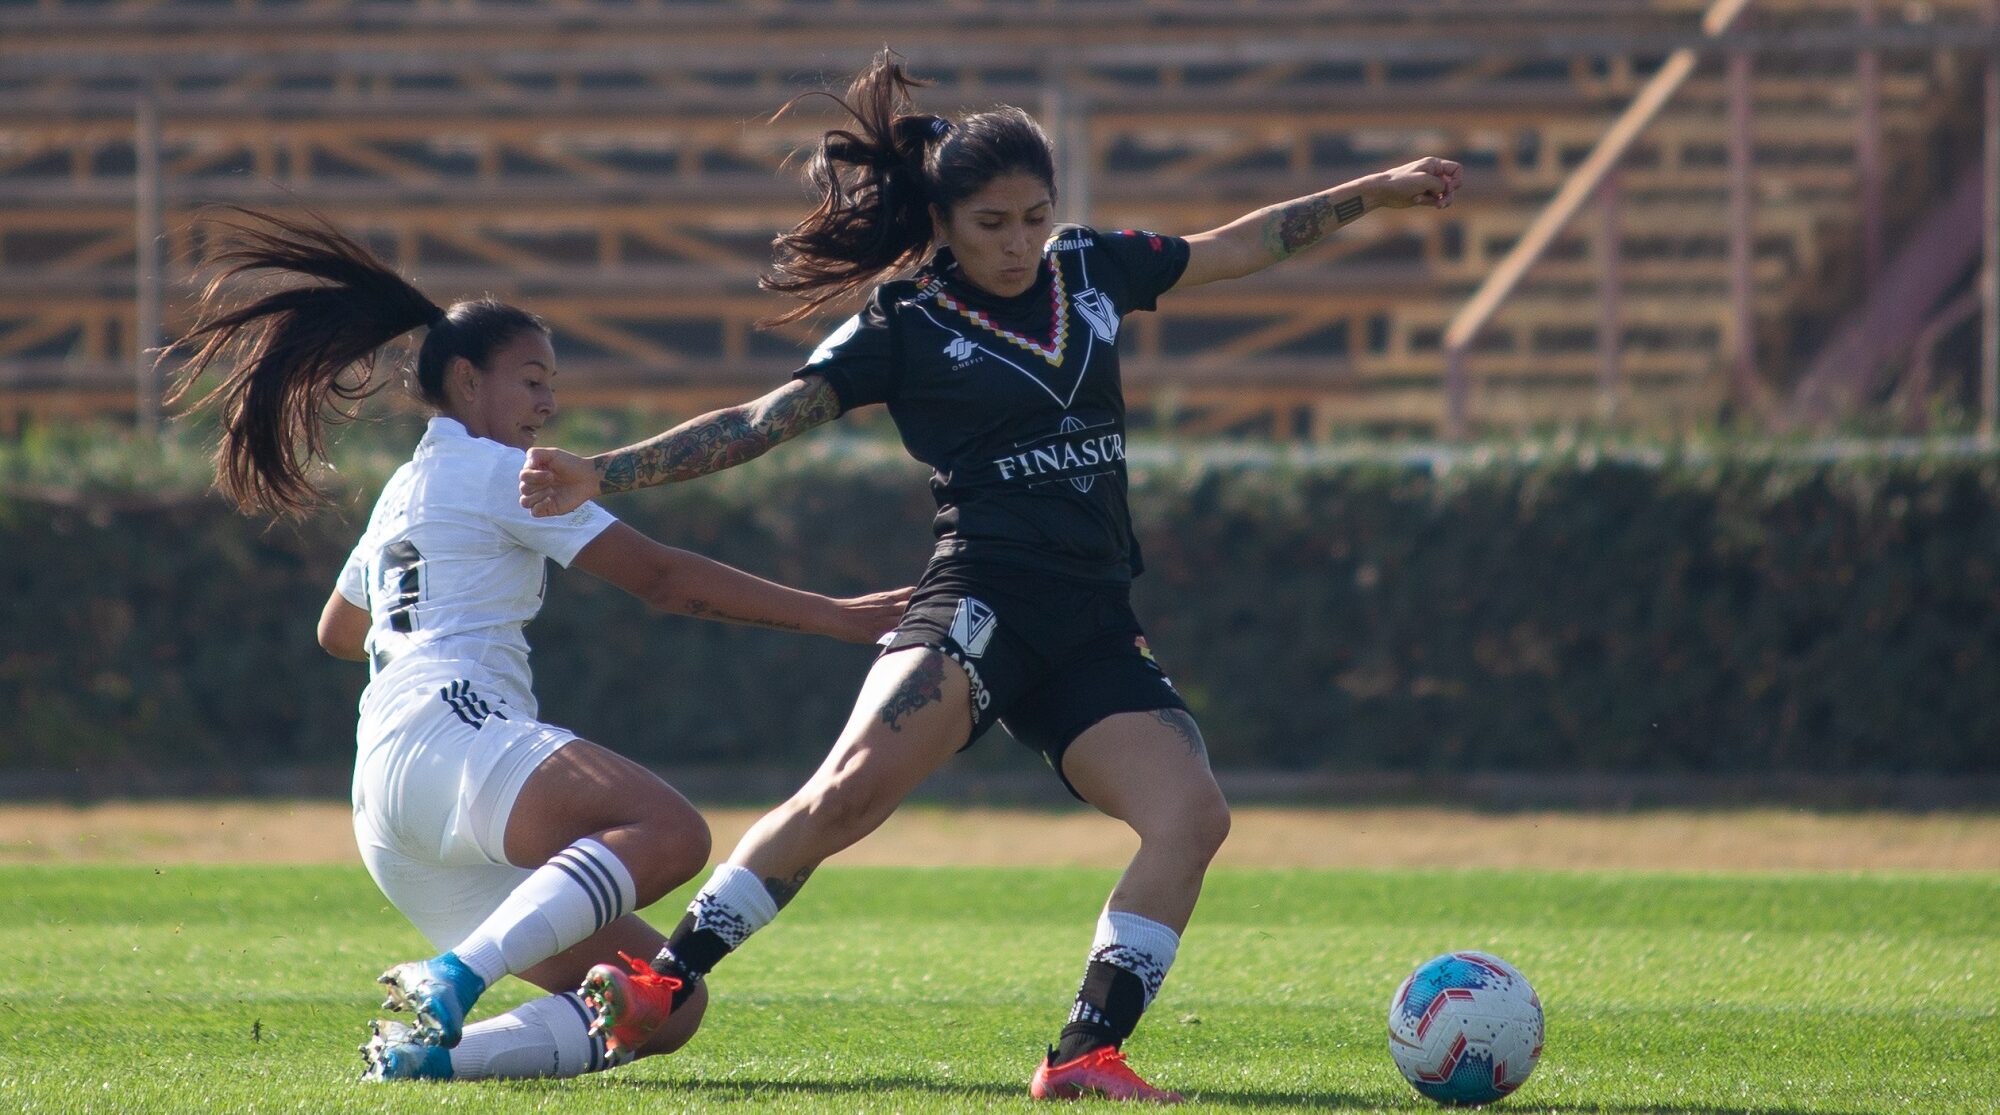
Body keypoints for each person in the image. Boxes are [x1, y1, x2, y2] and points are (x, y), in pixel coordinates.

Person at [520, 51, 1462, 1103]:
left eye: (1033, 215)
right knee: (845, 796)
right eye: (992, 223)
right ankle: (657, 980)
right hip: (975, 605)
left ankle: (1081, 1054)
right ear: (944, 222)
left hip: (1092, 623)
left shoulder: (1091, 269)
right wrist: (603, 470)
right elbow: (758, 422)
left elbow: (1230, 246)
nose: (1018, 242)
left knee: (1191, 815)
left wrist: (1370, 192)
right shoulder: (902, 325)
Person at [166, 208, 909, 1084]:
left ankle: (426, 1060)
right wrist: (840, 615)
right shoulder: (496, 472)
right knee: (669, 830)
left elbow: (338, 632)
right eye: (530, 380)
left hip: (384, 796)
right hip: (449, 725)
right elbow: (664, 580)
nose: (550, 402)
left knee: (662, 998)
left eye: (552, 382)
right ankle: (455, 975)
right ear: (467, 382)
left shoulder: (406, 486)